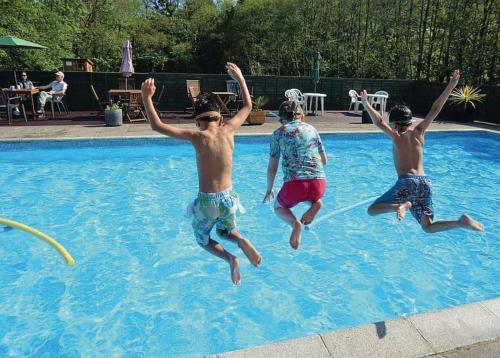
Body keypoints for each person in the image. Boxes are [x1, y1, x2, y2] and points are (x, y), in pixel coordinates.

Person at [141, 62, 262, 285]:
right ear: (221, 119)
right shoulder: (229, 129)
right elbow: (247, 106)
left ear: (197, 122)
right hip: (229, 198)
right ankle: (242, 241)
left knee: (202, 239)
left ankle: (231, 258)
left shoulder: (197, 137)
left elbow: (157, 126)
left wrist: (147, 97)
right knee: (226, 231)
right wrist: (241, 79)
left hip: (208, 202)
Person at [362, 69, 483, 233]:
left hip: (407, 182)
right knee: (427, 227)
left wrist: (366, 103)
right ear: (410, 122)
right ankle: (460, 222)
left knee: (372, 210)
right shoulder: (419, 132)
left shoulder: (396, 136)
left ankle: (401, 205)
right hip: (425, 183)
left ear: (395, 125)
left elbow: (379, 122)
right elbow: (435, 110)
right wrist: (451, 85)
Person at [263, 101, 327, 249]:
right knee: (309, 196)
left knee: (278, 207)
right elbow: (324, 160)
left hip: (295, 186)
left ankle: (294, 224)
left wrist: (269, 189)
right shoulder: (312, 129)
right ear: (302, 116)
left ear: (281, 119)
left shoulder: (278, 133)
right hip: (319, 184)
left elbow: (272, 167)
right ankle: (316, 202)